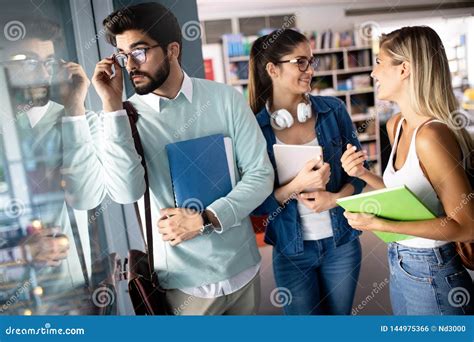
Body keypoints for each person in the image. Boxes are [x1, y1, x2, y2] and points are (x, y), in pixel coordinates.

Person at [73, 2, 274, 315]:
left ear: (172, 50)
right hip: (183, 283)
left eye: (139, 52)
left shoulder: (226, 99)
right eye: (124, 55)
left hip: (242, 270)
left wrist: (204, 218)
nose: (130, 65)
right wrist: (112, 107)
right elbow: (127, 192)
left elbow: (260, 175)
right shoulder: (121, 117)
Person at [341, 26, 474, 315]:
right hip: (401, 261)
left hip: (433, 268)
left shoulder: (431, 136)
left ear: (404, 69)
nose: (373, 73)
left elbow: (466, 225)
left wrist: (380, 224)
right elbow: (409, 198)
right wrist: (364, 173)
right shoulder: (397, 125)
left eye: (379, 62)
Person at [250, 29, 368, 315]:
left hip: (342, 243)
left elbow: (359, 176)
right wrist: (296, 185)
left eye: (311, 61)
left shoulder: (334, 110)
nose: (310, 70)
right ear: (272, 69)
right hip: (292, 252)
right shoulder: (256, 129)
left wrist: (335, 198)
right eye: (301, 62)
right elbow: (256, 205)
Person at [0, 17, 97, 314]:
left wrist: (75, 109)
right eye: (28, 62)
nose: (43, 73)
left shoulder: (78, 119)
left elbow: (87, 196)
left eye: (49, 62)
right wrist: (17, 252)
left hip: (73, 294)